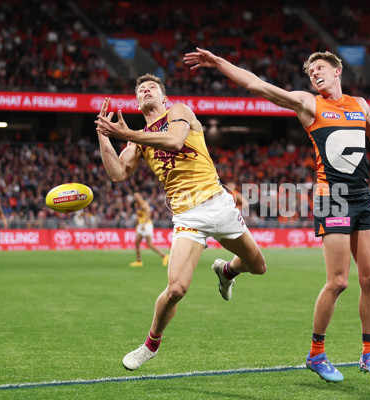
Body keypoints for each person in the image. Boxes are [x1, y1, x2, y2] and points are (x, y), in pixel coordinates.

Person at [184, 48, 370, 382]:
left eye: (320, 68)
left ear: (338, 70)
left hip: (361, 196)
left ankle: (369, 355)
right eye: (310, 71)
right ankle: (316, 354)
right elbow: (258, 86)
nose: (314, 74)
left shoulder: (360, 105)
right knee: (338, 281)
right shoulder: (309, 103)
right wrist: (218, 63)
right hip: (331, 196)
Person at [94, 73, 267, 371]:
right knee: (176, 289)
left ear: (164, 98)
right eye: (140, 89)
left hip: (219, 203)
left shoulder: (179, 112)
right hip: (188, 216)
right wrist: (104, 135)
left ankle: (226, 271)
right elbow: (117, 173)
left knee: (258, 267)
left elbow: (174, 141)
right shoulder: (138, 142)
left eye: (152, 87)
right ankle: (150, 345)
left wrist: (129, 134)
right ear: (137, 102)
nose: (145, 90)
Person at [129, 192, 169, 267]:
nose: (136, 198)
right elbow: (139, 216)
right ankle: (138, 261)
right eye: (134, 197)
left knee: (149, 244)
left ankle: (164, 255)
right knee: (137, 242)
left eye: (137, 196)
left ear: (140, 196)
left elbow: (148, 213)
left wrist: (144, 224)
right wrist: (137, 225)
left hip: (146, 225)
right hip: (141, 225)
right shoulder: (136, 205)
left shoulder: (144, 203)